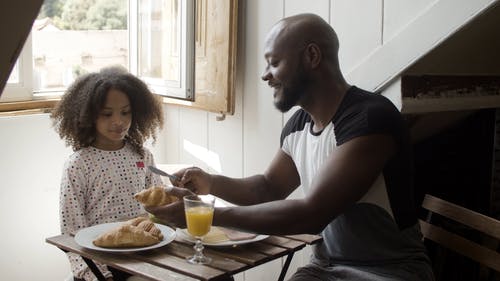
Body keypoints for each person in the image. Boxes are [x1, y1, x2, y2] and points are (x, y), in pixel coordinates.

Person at [147, 13, 434, 281]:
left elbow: (311, 214)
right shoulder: (299, 123)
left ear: (312, 56)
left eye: (273, 62)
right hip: (324, 269)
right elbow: (267, 187)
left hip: (389, 272)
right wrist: (210, 183)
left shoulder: (370, 120)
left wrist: (203, 215)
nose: (265, 75)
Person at [51, 66, 165, 281]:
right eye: (106, 114)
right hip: (101, 260)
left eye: (125, 112)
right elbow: (71, 229)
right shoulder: (79, 164)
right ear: (88, 116)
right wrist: (96, 275)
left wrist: (177, 199)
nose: (118, 121)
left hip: (145, 254)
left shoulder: (143, 156)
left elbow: (158, 208)